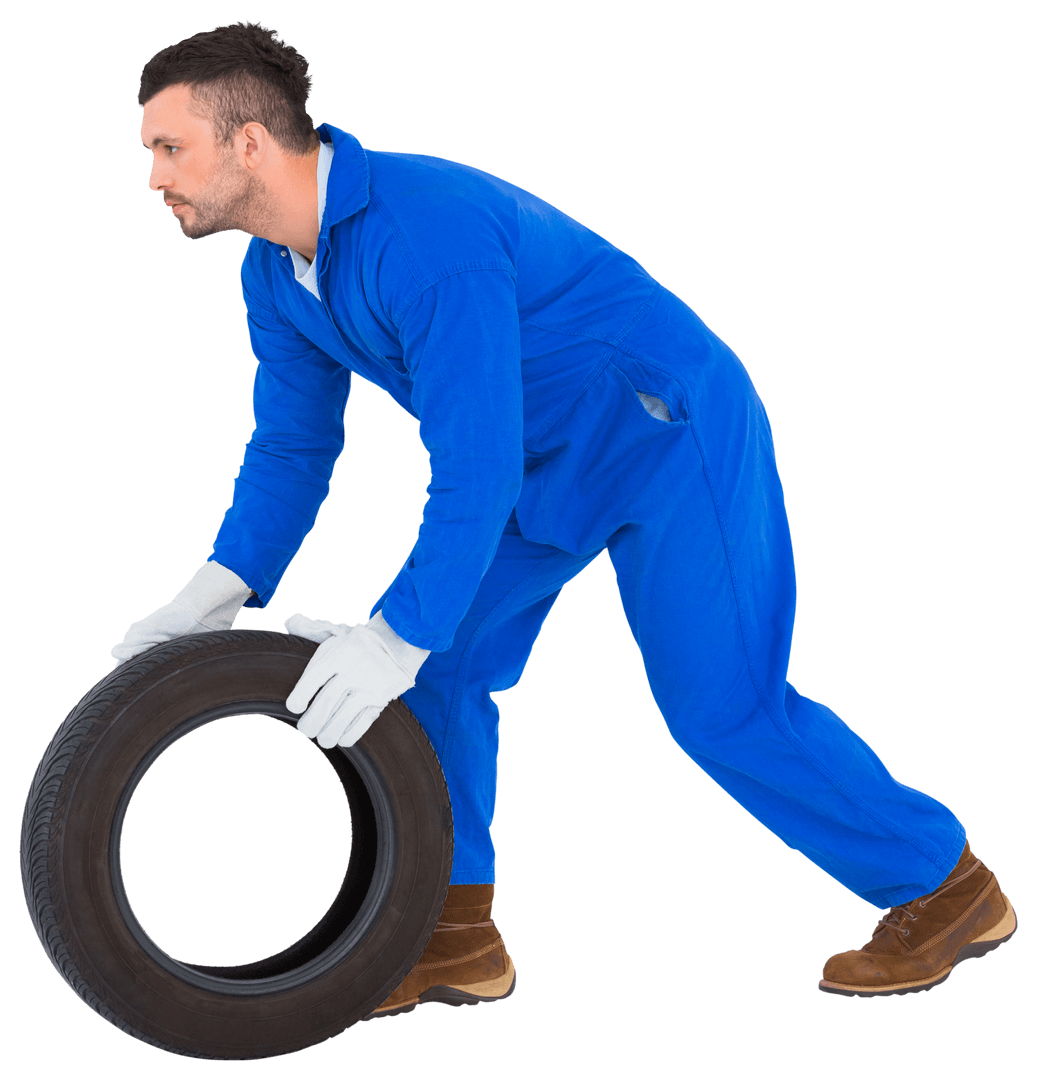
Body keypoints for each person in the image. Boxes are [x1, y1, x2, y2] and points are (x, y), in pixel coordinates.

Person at [117, 21, 1016, 1016]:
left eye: (168, 146)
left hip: (664, 438)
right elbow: (293, 445)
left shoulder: (426, 232)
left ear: (249, 142)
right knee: (444, 675)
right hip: (542, 465)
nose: (153, 173)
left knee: (721, 708)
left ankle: (942, 889)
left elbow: (474, 458)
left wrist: (397, 631)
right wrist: (218, 591)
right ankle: (455, 932)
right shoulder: (273, 275)